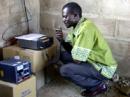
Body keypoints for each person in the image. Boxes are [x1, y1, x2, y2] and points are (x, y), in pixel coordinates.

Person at [55, 2, 118, 97]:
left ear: (75, 16)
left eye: (65, 17)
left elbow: (77, 60)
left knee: (64, 70)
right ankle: (95, 78)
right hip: (93, 61)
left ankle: (98, 85)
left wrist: (72, 63)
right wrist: (62, 40)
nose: (63, 20)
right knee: (63, 56)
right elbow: (73, 51)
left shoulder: (86, 29)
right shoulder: (78, 26)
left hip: (103, 67)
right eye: (63, 17)